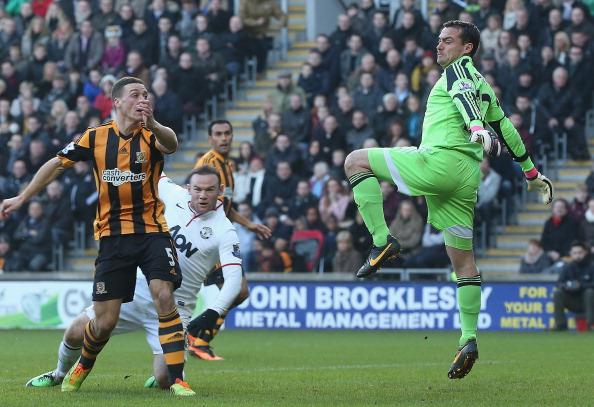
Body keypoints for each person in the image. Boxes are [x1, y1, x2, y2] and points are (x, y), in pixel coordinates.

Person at [343, 20, 554, 380]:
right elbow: (506, 127)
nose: (439, 46)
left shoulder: (458, 71)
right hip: (465, 180)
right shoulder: (483, 86)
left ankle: (381, 240)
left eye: (448, 40)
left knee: (354, 161)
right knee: (464, 264)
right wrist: (531, 173)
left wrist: (475, 127)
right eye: (439, 40)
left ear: (467, 48)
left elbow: (462, 97)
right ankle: (468, 339)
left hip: (440, 164)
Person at [0, 77, 195, 396]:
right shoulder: (95, 137)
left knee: (163, 295)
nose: (142, 99)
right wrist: (23, 197)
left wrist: (154, 123)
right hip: (112, 236)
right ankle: (82, 365)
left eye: (146, 94)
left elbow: (171, 144)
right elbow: (57, 164)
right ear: (116, 102)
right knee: (104, 321)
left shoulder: (152, 134)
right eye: (135, 94)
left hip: (152, 231)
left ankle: (178, 380)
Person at [26, 167, 243, 389]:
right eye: (197, 189)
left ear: (220, 190)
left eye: (209, 190)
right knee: (74, 332)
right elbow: (145, 166)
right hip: (134, 293)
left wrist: (213, 312)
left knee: (166, 379)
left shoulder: (224, 230)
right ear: (189, 188)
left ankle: (165, 373)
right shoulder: (173, 193)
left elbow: (234, 279)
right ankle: (59, 373)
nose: (202, 195)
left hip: (174, 308)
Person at [191, 119, 271, 359]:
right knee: (238, 290)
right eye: (218, 134)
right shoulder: (208, 165)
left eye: (227, 133)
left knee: (239, 292)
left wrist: (250, 225)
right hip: (208, 239)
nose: (223, 138)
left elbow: (225, 206)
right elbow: (195, 202)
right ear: (210, 138)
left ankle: (198, 338)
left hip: (219, 239)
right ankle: (195, 334)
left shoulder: (227, 165)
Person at [553, 241, 594, 331]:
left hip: (589, 301)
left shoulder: (591, 266)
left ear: (585, 253)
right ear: (571, 254)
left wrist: (581, 286)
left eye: (580, 253)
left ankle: (590, 324)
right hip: (572, 300)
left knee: (589, 292)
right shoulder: (568, 267)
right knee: (558, 293)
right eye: (575, 253)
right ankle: (561, 325)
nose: (577, 255)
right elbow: (558, 283)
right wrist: (567, 286)